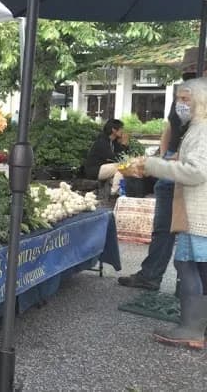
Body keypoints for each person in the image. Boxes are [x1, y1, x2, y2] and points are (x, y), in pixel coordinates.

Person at [119, 48, 205, 291]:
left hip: (195, 167)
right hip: (172, 163)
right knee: (163, 225)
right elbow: (170, 126)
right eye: (187, 71)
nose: (189, 75)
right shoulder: (183, 92)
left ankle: (189, 287)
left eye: (193, 71)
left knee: (194, 229)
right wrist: (164, 154)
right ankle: (151, 275)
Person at [135, 77, 207, 349]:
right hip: (198, 212)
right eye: (178, 99)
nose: (180, 104)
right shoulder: (197, 129)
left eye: (185, 99)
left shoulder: (201, 130)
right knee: (202, 269)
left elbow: (197, 172)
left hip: (198, 214)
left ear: (201, 102)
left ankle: (191, 328)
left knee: (187, 266)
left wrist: (156, 166)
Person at [84, 119, 129, 194]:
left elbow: (122, 156)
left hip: (104, 168)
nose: (122, 131)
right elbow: (115, 158)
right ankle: (115, 191)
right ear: (114, 130)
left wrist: (125, 145)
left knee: (123, 168)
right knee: (122, 166)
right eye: (121, 129)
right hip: (95, 170)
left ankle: (117, 190)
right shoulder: (102, 141)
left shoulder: (113, 142)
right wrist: (123, 145)